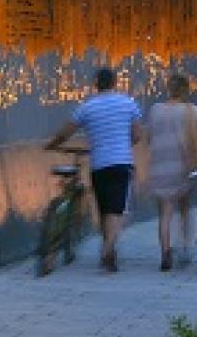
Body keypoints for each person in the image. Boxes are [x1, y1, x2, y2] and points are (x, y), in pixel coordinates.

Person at [46, 66, 141, 272]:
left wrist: (52, 144)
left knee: (105, 209)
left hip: (98, 165)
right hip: (121, 163)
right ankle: (107, 250)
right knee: (116, 211)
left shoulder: (87, 107)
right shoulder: (128, 104)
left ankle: (109, 252)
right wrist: (122, 143)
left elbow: (66, 131)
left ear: (96, 84)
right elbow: (137, 136)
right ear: (115, 82)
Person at [146, 72, 197, 271]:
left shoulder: (155, 110)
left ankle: (166, 253)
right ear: (185, 90)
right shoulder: (189, 111)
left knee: (165, 212)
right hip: (183, 165)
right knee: (184, 208)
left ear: (168, 89)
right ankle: (185, 246)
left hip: (159, 165)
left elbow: (149, 136)